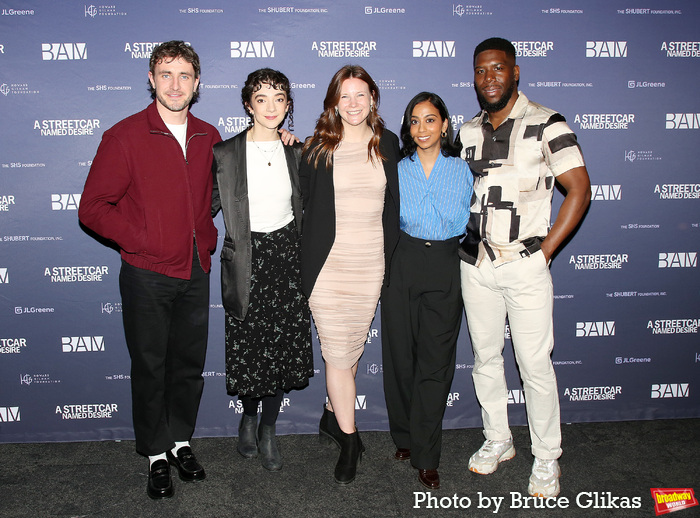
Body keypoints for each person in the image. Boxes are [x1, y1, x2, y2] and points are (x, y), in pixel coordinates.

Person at [78, 41, 221, 500]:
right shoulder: (124, 136)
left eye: (184, 75)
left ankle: (180, 442)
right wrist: (145, 238)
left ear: (197, 83)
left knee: (188, 366)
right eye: (165, 74)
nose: (175, 84)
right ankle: (156, 454)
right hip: (146, 273)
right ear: (151, 79)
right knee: (150, 366)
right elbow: (93, 209)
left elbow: (224, 191)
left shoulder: (209, 135)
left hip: (196, 268)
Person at [456, 37, 591, 498]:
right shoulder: (468, 130)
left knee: (535, 365)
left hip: (526, 263)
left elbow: (579, 188)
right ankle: (498, 439)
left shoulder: (547, 122)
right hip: (476, 264)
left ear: (515, 72)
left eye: (497, 68)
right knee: (486, 358)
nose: (488, 77)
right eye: (480, 70)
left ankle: (547, 457)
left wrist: (548, 249)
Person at [299, 64, 401, 484]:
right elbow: (299, 197)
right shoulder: (317, 148)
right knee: (337, 356)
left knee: (350, 352)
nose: (354, 104)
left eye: (361, 95)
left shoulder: (389, 144)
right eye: (345, 96)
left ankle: (329, 416)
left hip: (370, 264)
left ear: (373, 98)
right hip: (327, 267)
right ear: (333, 103)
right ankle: (349, 439)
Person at [211, 68, 313, 472]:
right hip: (247, 260)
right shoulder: (225, 153)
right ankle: (248, 417)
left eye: (279, 98)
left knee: (281, 349)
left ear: (288, 105)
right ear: (247, 104)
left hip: (288, 257)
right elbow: (206, 210)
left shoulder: (297, 152)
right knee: (252, 350)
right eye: (261, 98)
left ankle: (268, 428)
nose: (271, 107)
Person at [381, 92, 473, 490]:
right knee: (401, 358)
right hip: (403, 262)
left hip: (446, 265)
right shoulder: (396, 170)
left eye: (430, 120)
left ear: (445, 125)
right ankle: (404, 436)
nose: (422, 129)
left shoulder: (465, 169)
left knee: (435, 363)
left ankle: (426, 453)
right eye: (414, 121)